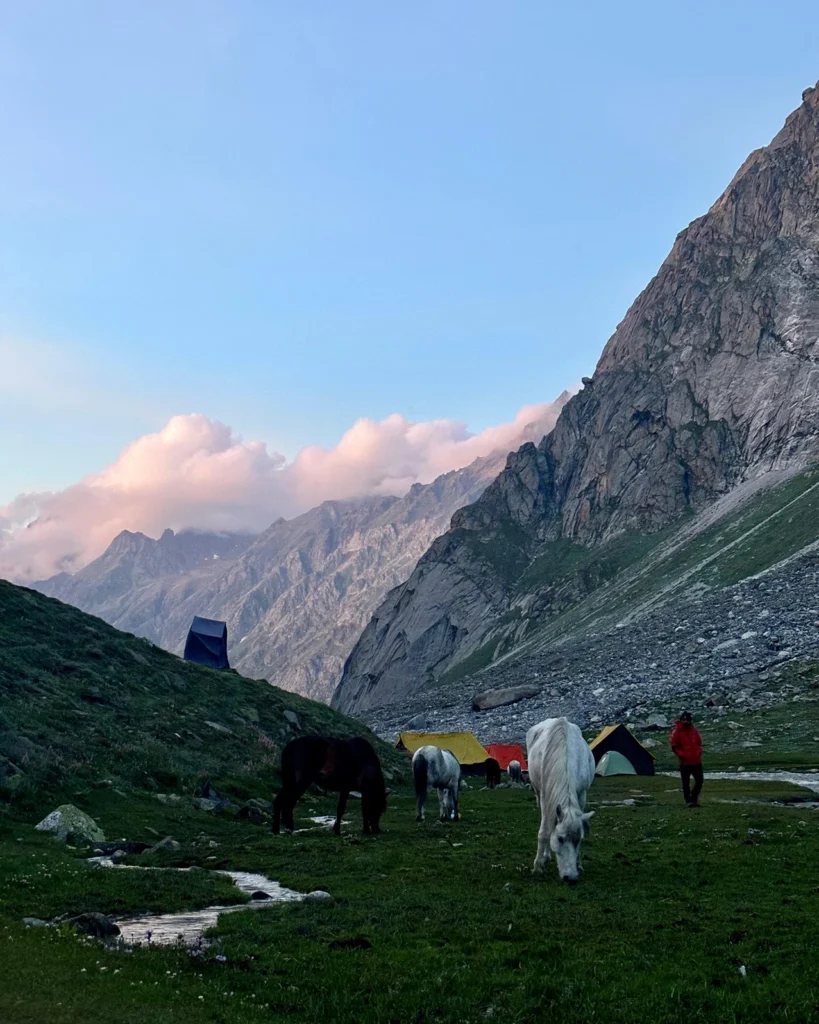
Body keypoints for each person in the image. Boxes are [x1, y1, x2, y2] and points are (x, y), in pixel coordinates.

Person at [670, 711, 703, 807]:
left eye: (687, 720)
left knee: (700, 781)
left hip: (696, 760)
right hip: (685, 762)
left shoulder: (694, 731)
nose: (686, 722)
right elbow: (674, 746)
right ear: (681, 720)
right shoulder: (677, 732)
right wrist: (682, 755)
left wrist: (698, 752)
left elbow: (699, 743)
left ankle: (693, 798)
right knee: (686, 783)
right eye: (684, 720)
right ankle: (689, 801)